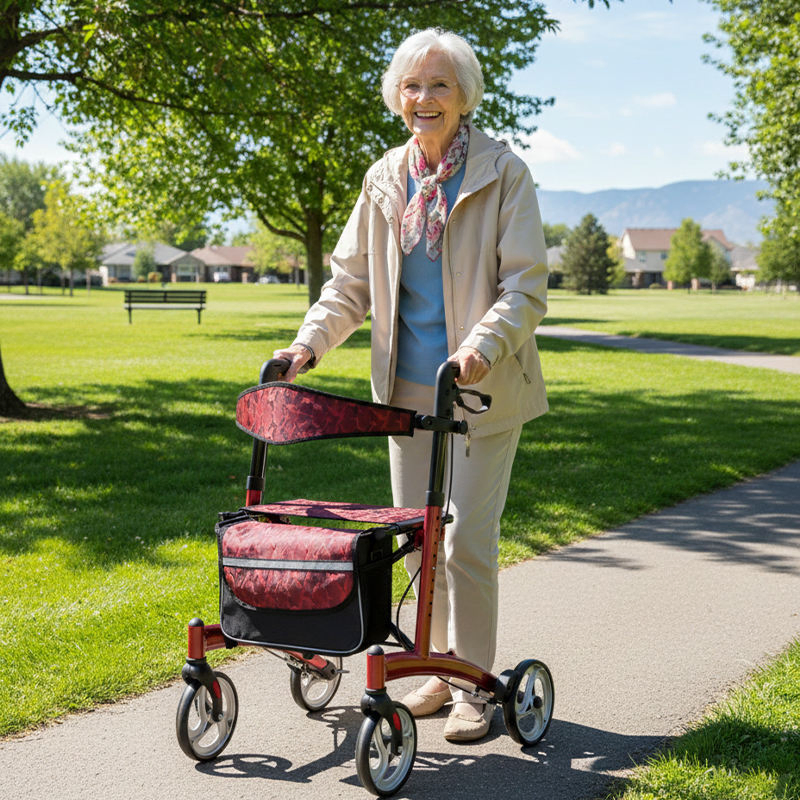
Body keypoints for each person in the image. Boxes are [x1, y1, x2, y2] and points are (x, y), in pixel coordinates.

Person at [274, 28, 548, 743]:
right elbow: (350, 284)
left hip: (480, 390)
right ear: (398, 96)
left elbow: (525, 285)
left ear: (464, 97)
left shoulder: (501, 172)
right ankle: (433, 670)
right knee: (422, 543)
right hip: (406, 398)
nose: (424, 98)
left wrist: (480, 349)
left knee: (465, 543)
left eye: (440, 86)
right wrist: (308, 344)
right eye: (413, 85)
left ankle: (475, 689)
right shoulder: (385, 179)